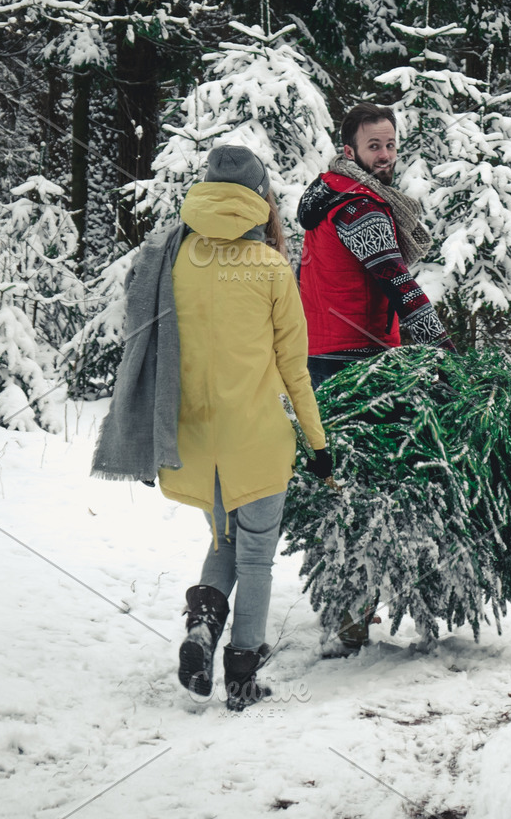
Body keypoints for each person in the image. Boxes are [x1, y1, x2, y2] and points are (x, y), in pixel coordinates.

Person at [158, 144, 333, 710]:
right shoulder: (271, 267)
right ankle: (242, 674)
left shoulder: (177, 259)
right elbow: (294, 370)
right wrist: (318, 441)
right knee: (255, 552)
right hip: (257, 439)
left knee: (223, 539)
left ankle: (202, 626)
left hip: (195, 436)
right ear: (259, 197)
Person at [297, 102, 452, 651]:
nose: (384, 156)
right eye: (373, 147)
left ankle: (344, 603)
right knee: (363, 485)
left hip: (324, 354)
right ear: (350, 150)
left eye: (389, 145)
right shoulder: (359, 208)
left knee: (337, 477)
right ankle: (349, 609)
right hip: (356, 360)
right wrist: (439, 344)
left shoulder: (328, 197)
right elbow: (394, 280)